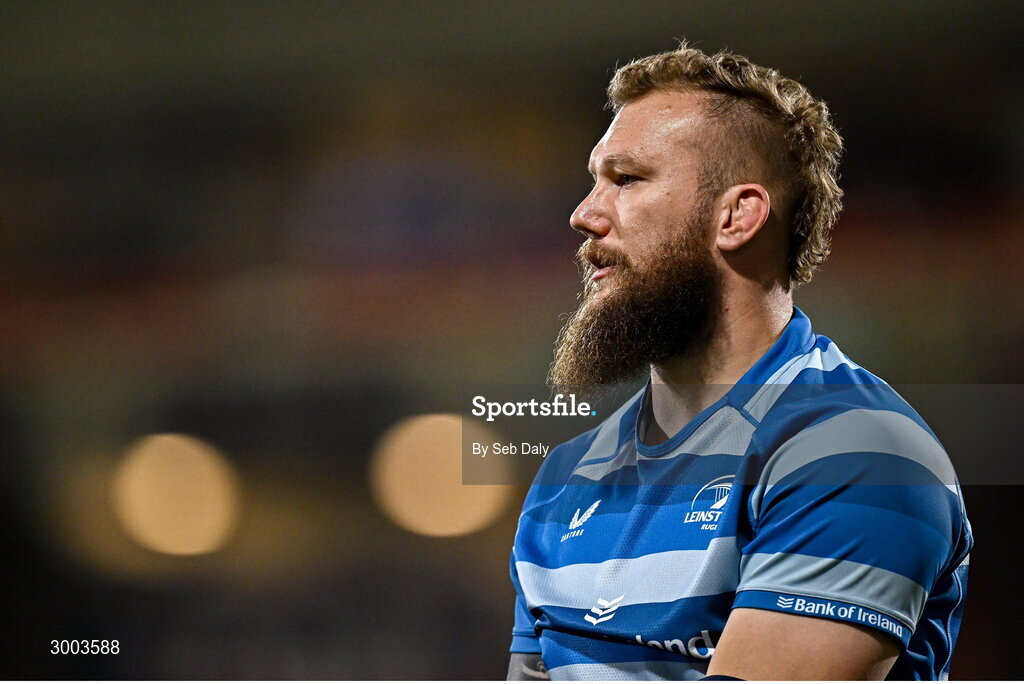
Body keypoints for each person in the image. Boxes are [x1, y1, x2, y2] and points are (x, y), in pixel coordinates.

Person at [507, 43, 971, 681]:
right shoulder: (566, 477)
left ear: (737, 216)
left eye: (627, 179)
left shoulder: (861, 454)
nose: (585, 215)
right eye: (594, 182)